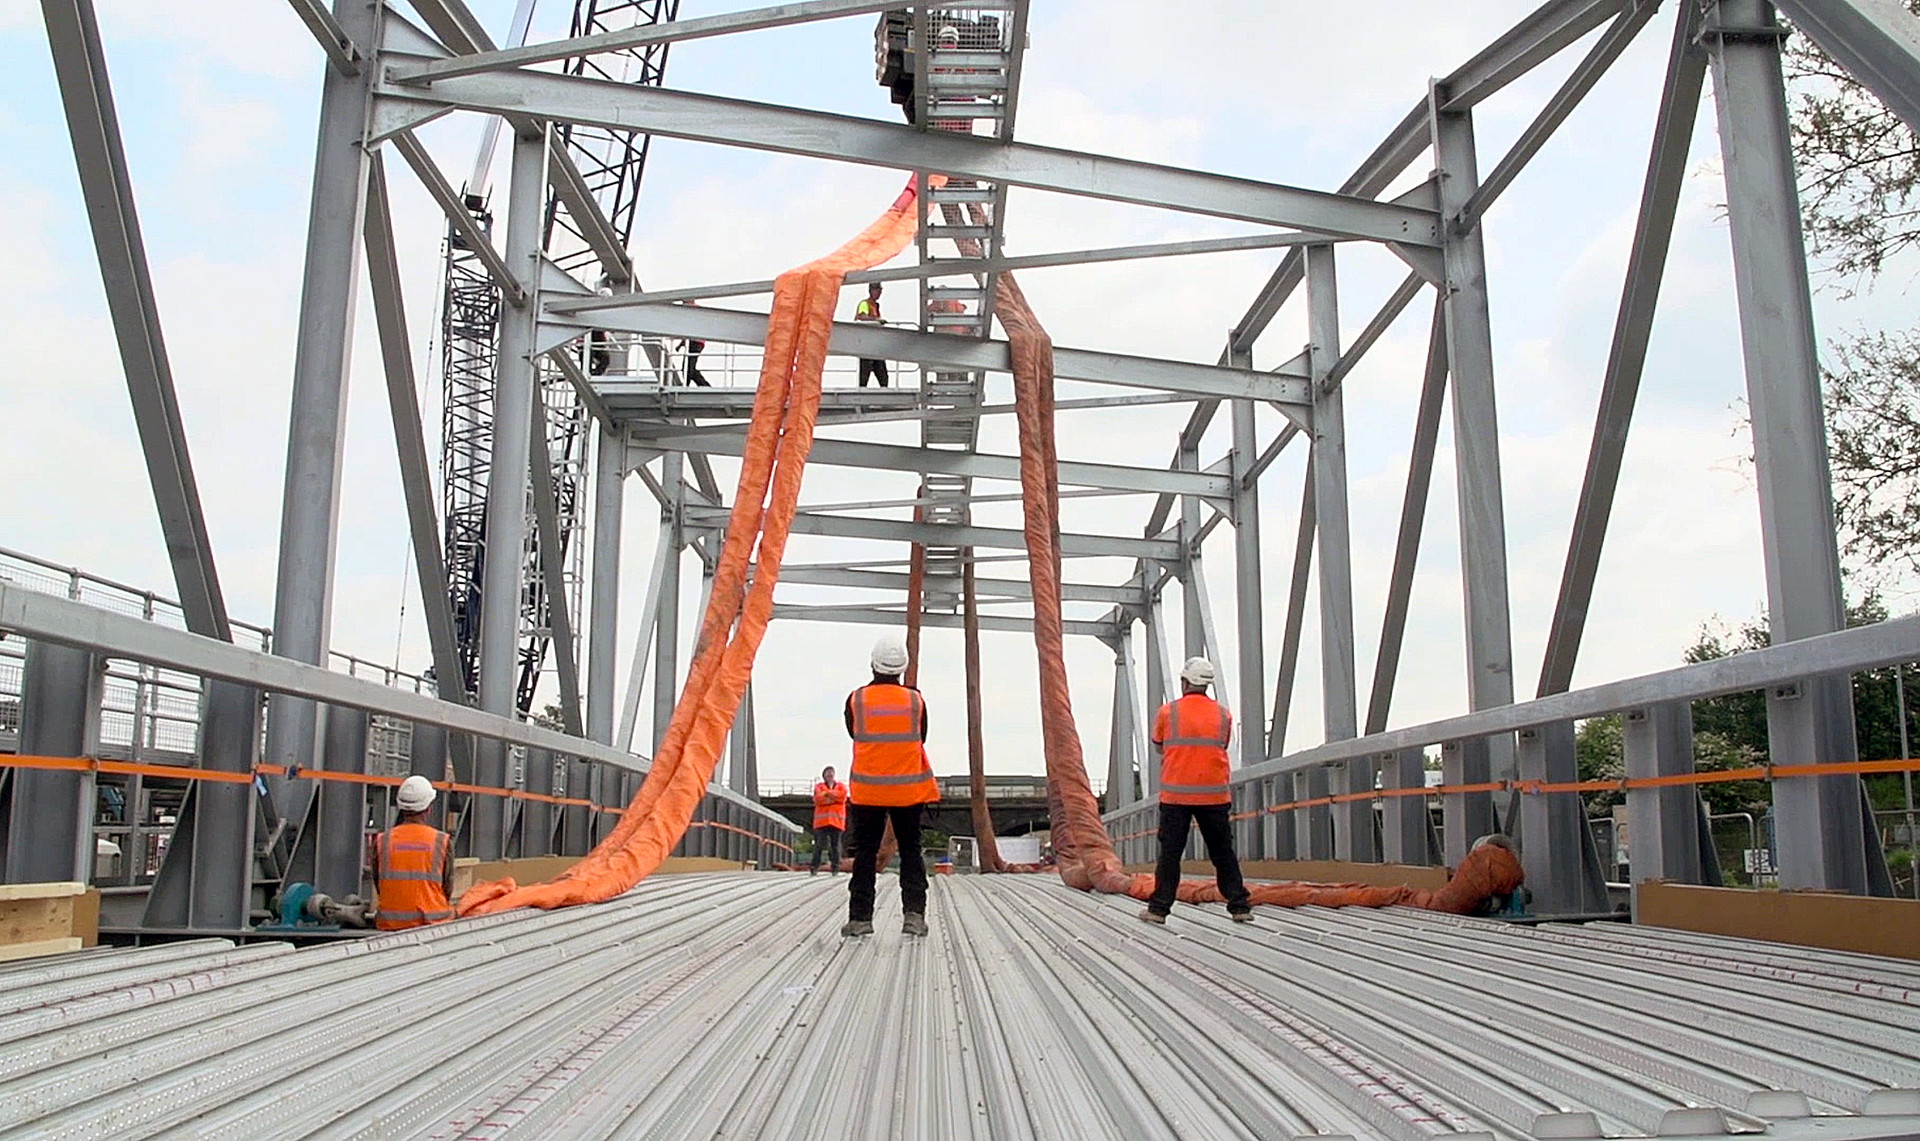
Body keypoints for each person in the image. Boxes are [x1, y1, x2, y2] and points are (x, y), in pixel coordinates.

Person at [1140, 657, 1253, 926]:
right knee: (1223, 852)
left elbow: (1159, 745)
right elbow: (1222, 745)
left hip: (1176, 796)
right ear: (1207, 685)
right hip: (1214, 795)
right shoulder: (1223, 714)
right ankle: (1239, 906)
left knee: (1170, 854)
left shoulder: (1168, 712)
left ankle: (1158, 909)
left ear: (1185, 681)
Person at [841, 634, 937, 937]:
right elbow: (921, 736)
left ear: (873, 664)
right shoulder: (915, 700)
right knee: (911, 851)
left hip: (868, 790)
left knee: (866, 852)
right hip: (908, 791)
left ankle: (860, 918)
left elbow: (853, 732)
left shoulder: (856, 699)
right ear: (902, 667)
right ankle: (913, 916)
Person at [373, 775, 456, 931]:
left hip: (390, 925)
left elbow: (379, 883)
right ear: (428, 808)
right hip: (433, 924)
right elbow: (447, 886)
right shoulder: (441, 841)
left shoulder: (382, 840)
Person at [810, 765, 849, 876]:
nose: (830, 776)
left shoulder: (841, 786)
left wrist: (827, 794)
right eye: (828, 774)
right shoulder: (819, 786)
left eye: (832, 774)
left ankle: (835, 868)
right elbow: (817, 799)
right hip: (821, 823)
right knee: (819, 846)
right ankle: (814, 867)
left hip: (836, 822)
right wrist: (834, 798)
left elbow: (842, 797)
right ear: (824, 776)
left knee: (835, 846)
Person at [853, 282, 889, 388]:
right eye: (877, 290)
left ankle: (885, 400)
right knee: (864, 377)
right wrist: (876, 320)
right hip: (866, 346)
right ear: (871, 291)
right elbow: (861, 316)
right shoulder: (865, 304)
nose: (879, 293)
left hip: (876, 346)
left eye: (880, 291)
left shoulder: (876, 306)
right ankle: (861, 402)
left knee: (883, 377)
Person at [681, 298, 710, 387]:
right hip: (695, 341)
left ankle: (689, 385)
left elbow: (692, 328)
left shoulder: (693, 309)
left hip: (696, 342)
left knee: (688, 368)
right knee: (688, 367)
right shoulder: (695, 310)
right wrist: (681, 343)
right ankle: (703, 386)